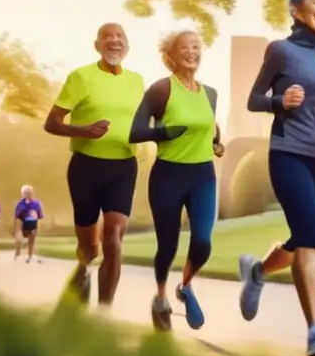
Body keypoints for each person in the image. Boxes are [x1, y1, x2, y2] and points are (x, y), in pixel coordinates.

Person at [236, 0, 315, 356]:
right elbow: (254, 99)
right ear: (296, 9)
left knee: (303, 237)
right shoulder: (281, 51)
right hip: (290, 154)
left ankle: (256, 271)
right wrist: (279, 100)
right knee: (309, 238)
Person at [129, 30, 225, 332]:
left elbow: (211, 127)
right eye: (186, 47)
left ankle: (185, 287)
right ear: (171, 55)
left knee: (203, 243)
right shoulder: (161, 90)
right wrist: (163, 133)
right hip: (168, 176)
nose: (192, 52)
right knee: (167, 245)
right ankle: (160, 299)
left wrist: (216, 144)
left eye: (197, 46)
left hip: (202, 176)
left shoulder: (210, 93)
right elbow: (135, 132)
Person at [43, 23, 144, 308]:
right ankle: (83, 267)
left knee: (113, 239)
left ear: (127, 45)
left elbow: (143, 121)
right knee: (89, 247)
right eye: (107, 37)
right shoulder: (81, 77)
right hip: (86, 168)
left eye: (120, 36)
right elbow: (51, 123)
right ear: (97, 45)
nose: (114, 41)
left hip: (123, 167)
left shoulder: (137, 80)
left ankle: (104, 313)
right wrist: (84, 130)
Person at [14, 185, 44, 263]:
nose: (27, 194)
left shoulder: (36, 203)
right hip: (22, 222)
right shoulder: (20, 203)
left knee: (31, 240)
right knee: (19, 239)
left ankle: (29, 256)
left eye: (29, 192)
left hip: (32, 223)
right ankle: (18, 252)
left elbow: (39, 216)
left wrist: (35, 217)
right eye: (25, 192)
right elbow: (17, 216)